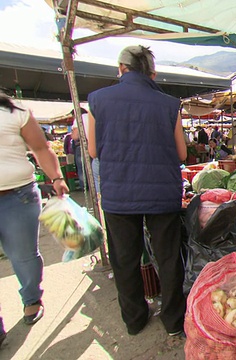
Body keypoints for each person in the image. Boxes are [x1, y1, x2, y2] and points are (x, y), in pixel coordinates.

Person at [86, 45, 187, 338]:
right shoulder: (170, 104)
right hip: (162, 193)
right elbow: (181, 153)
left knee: (125, 260)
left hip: (119, 194)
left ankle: (135, 320)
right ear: (152, 73)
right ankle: (173, 321)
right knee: (168, 257)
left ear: (121, 69)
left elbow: (93, 150)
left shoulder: (97, 100)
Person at [0, 92, 69, 339]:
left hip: (17, 196)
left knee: (23, 256)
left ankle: (31, 298)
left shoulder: (15, 111)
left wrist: (58, 178)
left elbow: (40, 148)